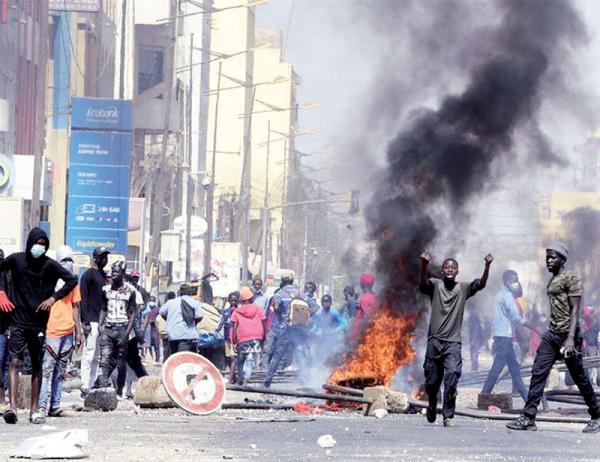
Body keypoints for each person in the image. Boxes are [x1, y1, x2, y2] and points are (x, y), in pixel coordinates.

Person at [507, 243, 600, 433]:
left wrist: (571, 338)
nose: (548, 260)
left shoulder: (571, 279)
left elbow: (575, 310)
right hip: (552, 335)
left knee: (579, 377)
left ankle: (597, 415)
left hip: (568, 335)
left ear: (562, 260)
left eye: (553, 257)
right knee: (538, 373)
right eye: (547, 257)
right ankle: (529, 416)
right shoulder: (552, 280)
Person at [0, 227, 78, 424]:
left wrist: (53, 298)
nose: (39, 248)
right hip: (17, 320)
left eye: (43, 245)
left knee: (37, 365)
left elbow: (71, 280)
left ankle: (34, 410)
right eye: (37, 243)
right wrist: (1, 292)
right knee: (14, 362)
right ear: (29, 243)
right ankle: (13, 408)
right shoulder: (16, 259)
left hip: (39, 323)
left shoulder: (49, 265)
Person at [419, 252, 493, 428]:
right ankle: (431, 404)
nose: (449, 270)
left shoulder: (463, 288)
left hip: (453, 343)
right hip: (435, 341)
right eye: (446, 267)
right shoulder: (435, 286)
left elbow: (481, 284)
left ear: (457, 271)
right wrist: (423, 265)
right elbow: (422, 283)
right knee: (431, 382)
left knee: (452, 377)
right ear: (442, 271)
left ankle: (448, 415)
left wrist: (487, 266)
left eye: (453, 267)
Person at [35, 246, 83, 423]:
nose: (67, 264)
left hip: (68, 332)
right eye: (64, 260)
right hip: (52, 331)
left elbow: (75, 308)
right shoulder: (49, 281)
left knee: (60, 373)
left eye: (70, 260)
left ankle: (54, 405)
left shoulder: (73, 283)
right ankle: (41, 405)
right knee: (47, 370)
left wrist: (79, 332)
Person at [481, 270, 539, 402]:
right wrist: (533, 328)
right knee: (497, 370)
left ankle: (527, 399)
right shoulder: (506, 296)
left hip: (503, 337)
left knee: (515, 371)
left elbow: (519, 294)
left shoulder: (501, 295)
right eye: (515, 280)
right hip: (504, 338)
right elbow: (515, 316)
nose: (517, 283)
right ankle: (483, 396)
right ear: (507, 281)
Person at [263, 270, 316, 388]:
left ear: (282, 281)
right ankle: (305, 382)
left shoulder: (280, 294)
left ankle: (267, 382)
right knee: (299, 355)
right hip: (298, 329)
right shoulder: (300, 293)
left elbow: (276, 306)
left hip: (285, 330)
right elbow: (315, 307)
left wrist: (282, 316)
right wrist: (305, 316)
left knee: (277, 356)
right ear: (292, 280)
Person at [94, 261, 137, 389]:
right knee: (105, 358)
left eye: (117, 272)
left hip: (122, 329)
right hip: (108, 328)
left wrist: (127, 333)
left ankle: (119, 391)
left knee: (121, 362)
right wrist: (100, 325)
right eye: (112, 271)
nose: (114, 274)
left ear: (122, 273)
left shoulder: (130, 291)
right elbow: (103, 308)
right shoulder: (105, 290)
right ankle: (104, 385)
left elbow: (133, 313)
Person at [79, 246, 110, 397]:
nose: (105, 259)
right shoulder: (88, 275)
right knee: (88, 354)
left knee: (98, 356)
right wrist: (84, 321)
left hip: (102, 321)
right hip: (91, 320)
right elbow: (83, 298)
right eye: (102, 256)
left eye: (106, 256)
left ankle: (91, 384)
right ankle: (84, 384)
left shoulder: (104, 276)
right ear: (95, 258)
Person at [231, 287, 266, 385]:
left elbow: (234, 327)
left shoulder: (236, 311)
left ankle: (240, 378)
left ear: (241, 300)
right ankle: (247, 378)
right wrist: (264, 336)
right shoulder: (258, 308)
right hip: (256, 336)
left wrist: (234, 342)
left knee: (240, 359)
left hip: (242, 338)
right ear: (251, 298)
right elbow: (264, 322)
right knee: (250, 359)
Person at [159, 284, 203, 354]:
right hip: (188, 335)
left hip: (172, 335)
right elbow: (200, 316)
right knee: (183, 359)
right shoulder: (195, 303)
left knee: (175, 356)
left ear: (179, 292)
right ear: (190, 293)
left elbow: (161, 312)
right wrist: (192, 322)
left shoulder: (170, 302)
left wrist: (169, 320)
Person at [215, 292, 239, 381]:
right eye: (231, 300)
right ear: (229, 301)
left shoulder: (239, 311)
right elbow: (221, 322)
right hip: (227, 338)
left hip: (236, 339)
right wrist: (217, 330)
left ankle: (230, 378)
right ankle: (234, 377)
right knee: (228, 358)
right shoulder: (226, 312)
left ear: (238, 301)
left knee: (234, 358)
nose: (233, 302)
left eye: (235, 300)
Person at [350, 272, 380, 340]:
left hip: (362, 337)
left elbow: (366, 319)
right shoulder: (376, 298)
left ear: (361, 284)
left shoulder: (365, 300)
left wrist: (353, 337)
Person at [0, 249, 12, 412]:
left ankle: (3, 396)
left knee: (5, 362)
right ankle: (1, 396)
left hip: (6, 327)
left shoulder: (7, 276)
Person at [155, 291, 176, 361]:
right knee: (170, 348)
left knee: (165, 347)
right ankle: (168, 361)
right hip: (171, 330)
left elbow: (157, 319)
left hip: (163, 331)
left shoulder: (165, 305)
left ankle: (165, 360)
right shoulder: (174, 305)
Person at [141, 296, 161, 362]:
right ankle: (151, 359)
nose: (151, 302)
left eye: (152, 300)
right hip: (148, 329)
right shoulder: (146, 309)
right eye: (150, 300)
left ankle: (157, 360)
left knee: (156, 346)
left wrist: (154, 321)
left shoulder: (157, 309)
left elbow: (159, 319)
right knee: (147, 345)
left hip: (155, 330)